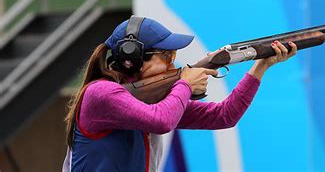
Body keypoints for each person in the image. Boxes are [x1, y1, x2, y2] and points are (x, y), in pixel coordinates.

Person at [62, 16, 297, 171]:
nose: (174, 65)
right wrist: (184, 84)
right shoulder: (99, 93)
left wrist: (261, 67)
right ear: (132, 61)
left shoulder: (153, 99)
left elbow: (225, 116)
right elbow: (160, 121)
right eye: (167, 57)